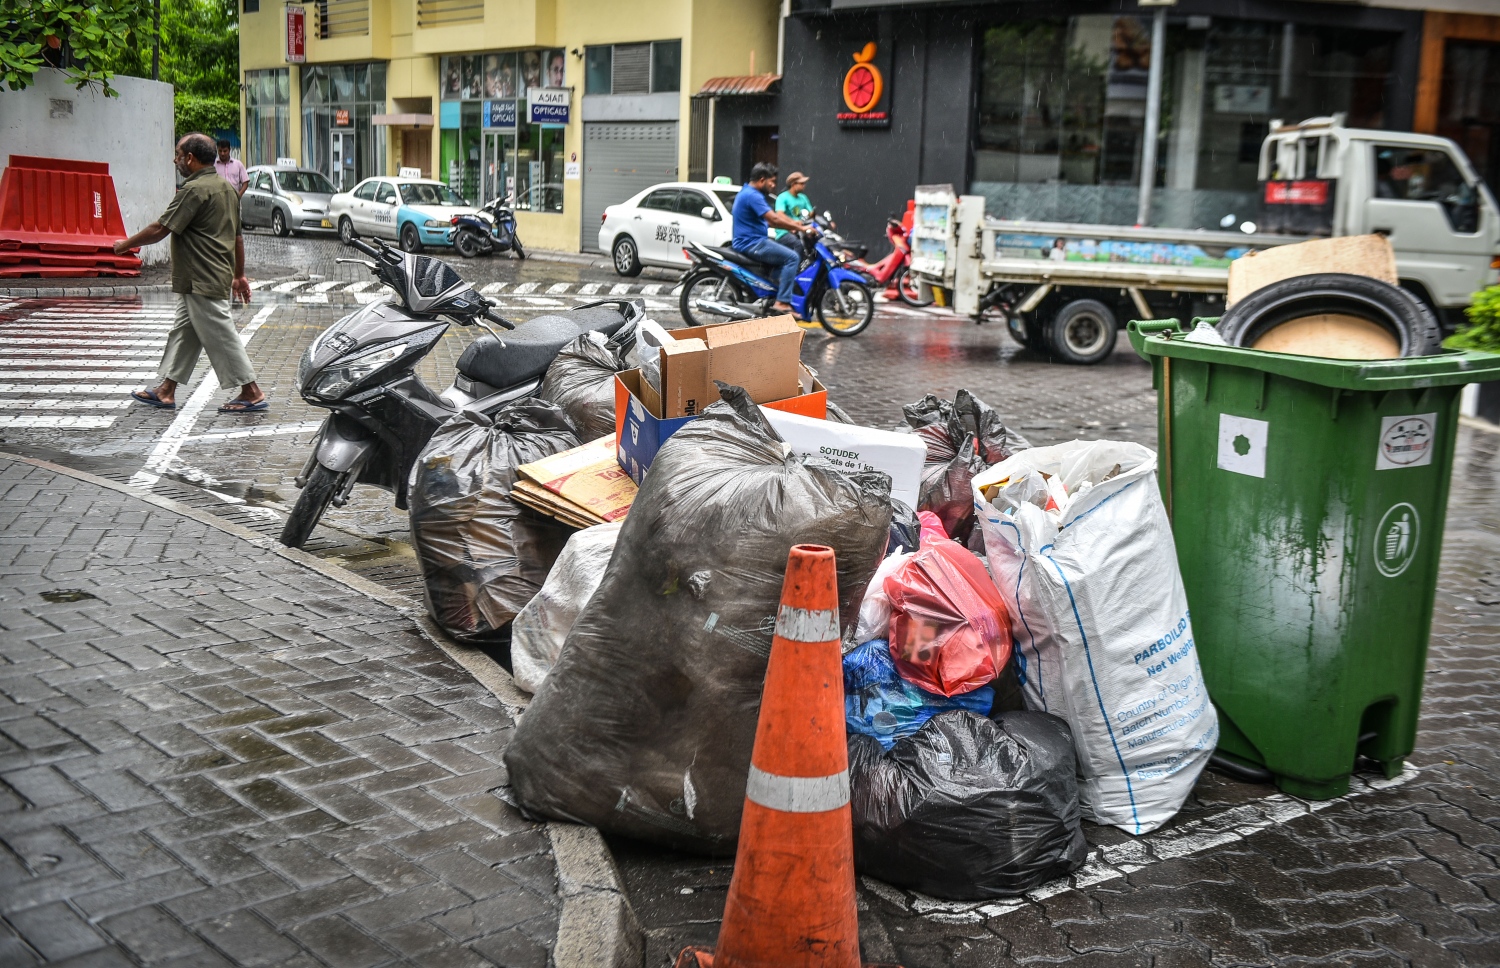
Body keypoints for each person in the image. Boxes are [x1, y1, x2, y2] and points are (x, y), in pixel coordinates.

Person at [112, 133, 266, 414]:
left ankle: (251, 391)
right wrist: (239, 275)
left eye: (178, 155)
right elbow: (237, 237)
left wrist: (124, 246)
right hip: (208, 275)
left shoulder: (193, 190)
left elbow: (161, 228)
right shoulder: (227, 189)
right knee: (184, 332)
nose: (175, 160)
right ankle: (166, 390)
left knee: (220, 334)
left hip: (200, 276)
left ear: (190, 158)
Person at [731, 162, 808, 314]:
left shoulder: (749, 193)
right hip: (752, 243)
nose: (773, 185)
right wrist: (802, 228)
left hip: (753, 241)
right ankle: (782, 302)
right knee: (792, 258)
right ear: (762, 180)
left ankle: (771, 294)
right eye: (772, 181)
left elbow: (769, 222)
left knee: (781, 261)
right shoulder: (753, 195)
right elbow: (774, 218)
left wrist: (793, 225)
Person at [774, 171, 814, 240]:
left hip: (802, 231)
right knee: (799, 244)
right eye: (801, 183)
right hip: (785, 233)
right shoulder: (782, 197)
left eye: (804, 183)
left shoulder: (803, 197)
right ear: (793, 184)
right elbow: (779, 214)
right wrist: (793, 222)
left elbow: (811, 213)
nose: (804, 185)